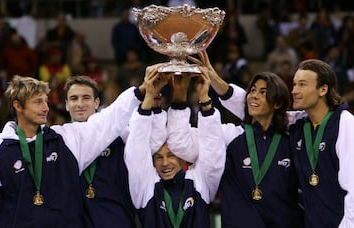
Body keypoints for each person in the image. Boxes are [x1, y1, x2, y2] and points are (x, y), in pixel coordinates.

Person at [0, 74, 144, 227]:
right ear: (18, 106)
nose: (46, 108)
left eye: (46, 101)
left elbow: (107, 120)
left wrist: (140, 92)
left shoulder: (63, 138)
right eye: (38, 102)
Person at [124, 66, 226, 228]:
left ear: (180, 157)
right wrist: (150, 96)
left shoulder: (200, 182)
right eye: (158, 157)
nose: (165, 163)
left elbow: (213, 148)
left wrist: (201, 98)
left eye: (170, 155)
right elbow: (136, 147)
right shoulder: (145, 188)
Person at [220, 72, 303, 227]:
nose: (254, 96)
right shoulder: (233, 137)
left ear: (277, 103)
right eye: (252, 90)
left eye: (263, 92)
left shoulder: (291, 141)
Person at [63, 76, 136, 227]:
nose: (80, 104)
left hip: (116, 220)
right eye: (74, 99)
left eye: (86, 98)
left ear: (96, 103)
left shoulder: (120, 135)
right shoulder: (60, 141)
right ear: (66, 105)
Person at [290, 59, 354, 227]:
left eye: (302, 84)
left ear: (323, 89)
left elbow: (353, 189)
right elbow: (260, 111)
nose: (294, 91)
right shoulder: (299, 124)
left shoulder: (345, 123)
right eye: (294, 84)